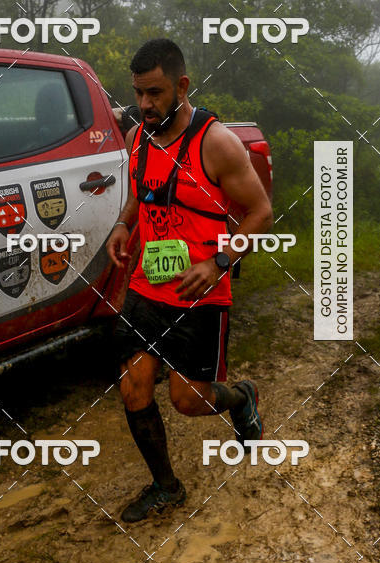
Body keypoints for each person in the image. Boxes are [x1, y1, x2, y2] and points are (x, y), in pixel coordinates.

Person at [106, 38, 273, 522]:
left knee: (188, 401)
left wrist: (217, 263)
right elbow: (139, 197)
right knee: (133, 388)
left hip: (200, 295)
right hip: (145, 288)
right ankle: (165, 486)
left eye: (155, 93)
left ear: (182, 85)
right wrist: (123, 225)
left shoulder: (215, 143)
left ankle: (242, 396)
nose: (144, 104)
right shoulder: (141, 136)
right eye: (138, 93)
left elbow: (260, 211)